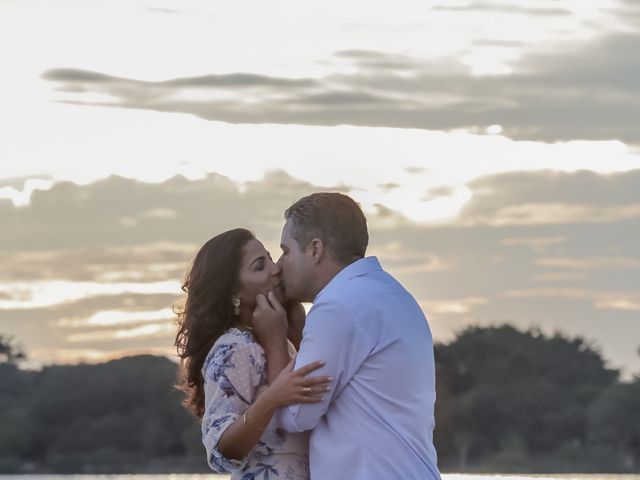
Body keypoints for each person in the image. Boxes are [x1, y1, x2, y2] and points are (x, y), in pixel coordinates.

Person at [251, 193, 442, 480]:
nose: (278, 265)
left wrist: (275, 339)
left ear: (315, 249)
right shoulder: (394, 295)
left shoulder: (338, 305)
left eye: (286, 251)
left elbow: (295, 414)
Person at [174, 228, 332, 480]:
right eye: (260, 266)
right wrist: (271, 399)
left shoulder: (276, 337)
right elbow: (220, 453)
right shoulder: (234, 346)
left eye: (270, 258)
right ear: (232, 293)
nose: (276, 269)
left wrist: (296, 332)